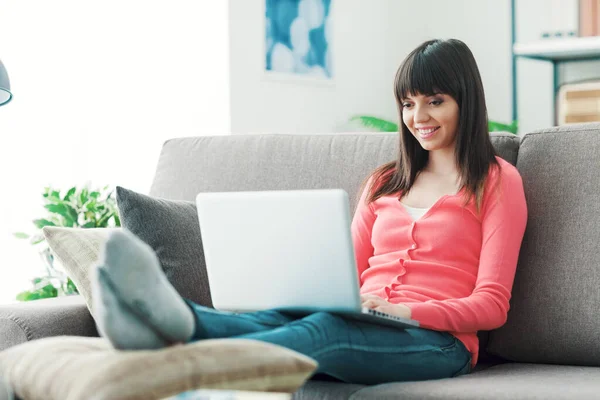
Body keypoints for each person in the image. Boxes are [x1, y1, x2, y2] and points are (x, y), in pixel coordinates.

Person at [91, 38, 527, 385]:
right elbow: (341, 275)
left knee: (325, 333)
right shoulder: (383, 182)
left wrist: (404, 312)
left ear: (464, 101)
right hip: (362, 320)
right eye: (408, 104)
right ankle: (157, 314)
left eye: (435, 100)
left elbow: (491, 306)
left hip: (438, 343)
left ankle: (181, 349)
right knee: (284, 318)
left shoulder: (497, 180)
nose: (418, 117)